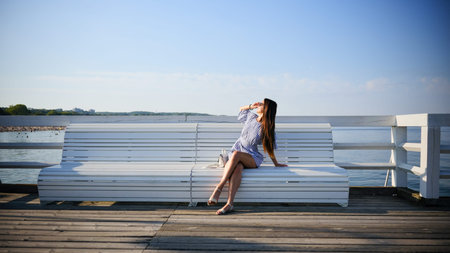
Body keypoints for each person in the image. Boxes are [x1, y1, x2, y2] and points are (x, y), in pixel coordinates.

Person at [208, 98, 288, 215]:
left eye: (262, 104)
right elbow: (241, 110)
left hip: (252, 157)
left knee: (236, 155)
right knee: (237, 169)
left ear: (266, 110)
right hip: (237, 150)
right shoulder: (251, 117)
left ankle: (219, 187)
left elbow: (270, 149)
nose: (259, 104)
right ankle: (229, 204)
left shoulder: (267, 128)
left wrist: (276, 163)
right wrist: (250, 106)